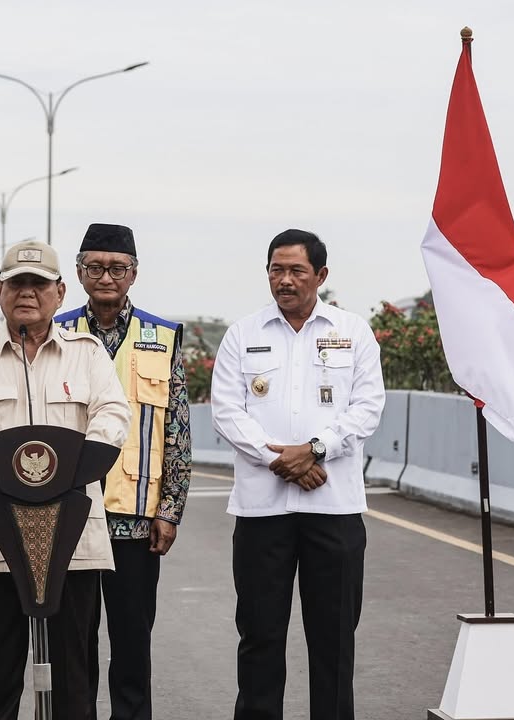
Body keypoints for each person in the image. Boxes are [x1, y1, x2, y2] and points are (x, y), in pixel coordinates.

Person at [0, 239, 131, 720]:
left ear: (60, 292)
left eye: (38, 283)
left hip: (72, 543)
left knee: (73, 684)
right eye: (17, 283)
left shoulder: (87, 355)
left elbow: (113, 415)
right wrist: (3, 477)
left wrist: (68, 477)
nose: (27, 293)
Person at [210, 229, 385, 720]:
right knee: (260, 636)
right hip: (262, 510)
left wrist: (315, 450)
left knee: (333, 640)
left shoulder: (353, 332)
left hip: (334, 510)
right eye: (276, 270)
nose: (284, 280)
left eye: (296, 271)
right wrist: (280, 462)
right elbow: (226, 410)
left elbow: (368, 407)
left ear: (320, 276)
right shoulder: (243, 334)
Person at [55, 223, 191, 720]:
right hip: (71, 516)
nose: (106, 277)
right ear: (78, 272)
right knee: (73, 645)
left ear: (133, 273)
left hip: (137, 520)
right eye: (95, 267)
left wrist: (170, 510)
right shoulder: (58, 332)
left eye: (117, 268)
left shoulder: (163, 336)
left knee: (133, 645)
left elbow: (177, 428)